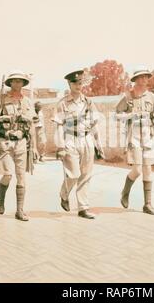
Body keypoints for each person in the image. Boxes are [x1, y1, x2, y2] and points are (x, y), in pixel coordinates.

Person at [52, 69, 104, 219]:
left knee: (86, 175)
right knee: (74, 174)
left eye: (80, 82)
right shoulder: (63, 104)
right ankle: (64, 193)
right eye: (74, 82)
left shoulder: (88, 102)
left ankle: (83, 207)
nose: (78, 85)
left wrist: (98, 144)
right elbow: (58, 125)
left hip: (86, 139)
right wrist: (60, 146)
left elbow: (94, 124)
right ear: (69, 84)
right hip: (70, 140)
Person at [0, 70, 37, 222]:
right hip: (6, 142)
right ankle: (0, 199)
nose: (17, 83)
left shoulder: (28, 101)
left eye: (20, 81)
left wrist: (34, 147)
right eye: (14, 81)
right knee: (8, 175)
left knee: (21, 177)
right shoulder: (1, 99)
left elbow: (32, 126)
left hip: (22, 142)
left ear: (23, 83)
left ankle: (20, 211)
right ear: (10, 83)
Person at [115, 67, 154, 215]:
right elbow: (116, 115)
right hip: (133, 136)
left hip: (148, 137)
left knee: (148, 169)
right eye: (140, 77)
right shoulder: (128, 97)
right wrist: (129, 116)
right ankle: (125, 191)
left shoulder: (152, 97)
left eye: (146, 77)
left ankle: (147, 204)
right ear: (135, 80)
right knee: (137, 169)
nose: (144, 80)